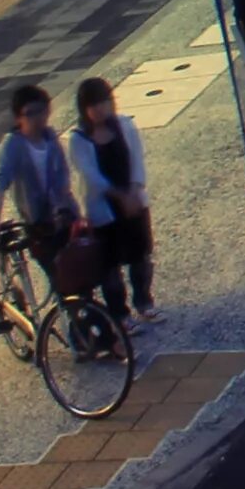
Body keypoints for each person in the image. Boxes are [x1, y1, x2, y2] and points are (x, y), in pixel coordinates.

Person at [66, 77, 155, 323]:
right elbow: (91, 176)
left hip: (134, 202)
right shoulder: (79, 139)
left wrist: (135, 191)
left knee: (140, 257)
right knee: (110, 266)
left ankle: (144, 301)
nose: (100, 108)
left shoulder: (125, 125)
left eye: (104, 101)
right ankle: (119, 313)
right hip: (104, 210)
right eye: (93, 104)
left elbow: (137, 159)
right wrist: (119, 196)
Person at [0, 83, 78, 292]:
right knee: (61, 280)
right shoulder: (13, 145)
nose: (38, 118)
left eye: (42, 110)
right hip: (38, 225)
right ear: (19, 118)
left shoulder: (50, 137)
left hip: (64, 217)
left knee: (80, 271)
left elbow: (63, 178)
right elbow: (0, 183)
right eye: (30, 113)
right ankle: (68, 321)